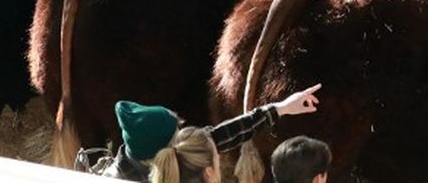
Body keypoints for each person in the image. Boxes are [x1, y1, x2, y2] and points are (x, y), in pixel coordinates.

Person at [100, 84, 321, 182]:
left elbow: (225, 133)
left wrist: (281, 108)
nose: (186, 133)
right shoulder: (186, 158)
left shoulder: (167, 155)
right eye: (179, 132)